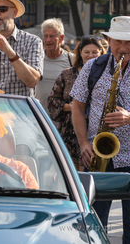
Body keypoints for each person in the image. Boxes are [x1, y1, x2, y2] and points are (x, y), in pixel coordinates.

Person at [70, 16, 130, 240]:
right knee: (94, 224)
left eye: (128, 43)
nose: (123, 48)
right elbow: (77, 107)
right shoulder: (93, 67)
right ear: (109, 40)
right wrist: (84, 143)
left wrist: (129, 117)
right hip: (98, 157)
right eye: (118, 42)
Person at [48, 36, 105, 171]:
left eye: (94, 52)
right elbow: (52, 102)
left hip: (96, 135)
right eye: (87, 52)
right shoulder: (67, 74)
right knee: (70, 176)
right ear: (80, 53)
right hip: (69, 133)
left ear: (101, 53)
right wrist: (70, 107)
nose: (90, 56)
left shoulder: (107, 75)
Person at [35, 18, 73, 113]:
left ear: (61, 38)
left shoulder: (72, 59)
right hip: (40, 117)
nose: (48, 40)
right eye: (45, 36)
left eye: (52, 36)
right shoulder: (36, 58)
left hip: (63, 121)